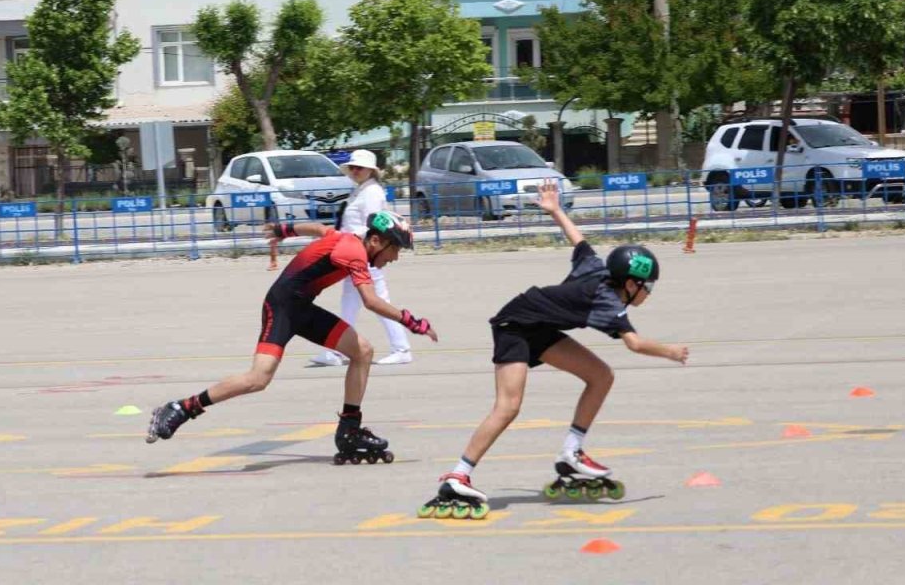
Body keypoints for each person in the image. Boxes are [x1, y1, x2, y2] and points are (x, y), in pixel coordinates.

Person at [417, 181, 688, 518]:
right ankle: (458, 475)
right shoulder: (608, 303)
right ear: (631, 283)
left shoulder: (597, 268)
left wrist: (556, 209)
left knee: (601, 375)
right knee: (508, 406)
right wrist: (671, 352)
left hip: (540, 327)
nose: (649, 292)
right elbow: (634, 344)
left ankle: (571, 454)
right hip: (514, 325)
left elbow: (579, 240)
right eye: (647, 286)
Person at [146, 212, 439, 464]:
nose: (395, 257)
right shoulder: (354, 252)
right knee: (258, 379)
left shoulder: (347, 238)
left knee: (362, 351)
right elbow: (371, 301)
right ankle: (182, 408)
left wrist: (283, 230)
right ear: (375, 241)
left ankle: (350, 428)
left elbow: (319, 229)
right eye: (395, 249)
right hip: (282, 307)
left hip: (302, 308)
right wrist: (412, 322)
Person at [310, 150, 413, 367]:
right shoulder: (361, 190)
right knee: (350, 301)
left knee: (377, 301)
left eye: (360, 168)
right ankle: (338, 351)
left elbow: (374, 227)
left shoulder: (372, 192)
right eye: (353, 167)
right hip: (354, 252)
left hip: (367, 254)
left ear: (370, 171)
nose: (355, 171)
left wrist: (348, 239)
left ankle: (401, 348)